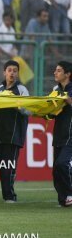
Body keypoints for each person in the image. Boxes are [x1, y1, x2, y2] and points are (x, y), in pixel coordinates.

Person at [0, 60, 30, 203]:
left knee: (7, 167)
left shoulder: (22, 90)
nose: (12, 73)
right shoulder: (0, 88)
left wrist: (15, 104)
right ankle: (8, 194)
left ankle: (9, 196)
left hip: (12, 135)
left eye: (15, 70)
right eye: (9, 70)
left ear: (18, 74)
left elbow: (28, 110)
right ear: (4, 72)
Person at [47, 61, 72, 207]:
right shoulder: (56, 89)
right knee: (56, 169)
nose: (55, 73)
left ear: (68, 74)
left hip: (70, 134)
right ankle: (63, 199)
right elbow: (51, 113)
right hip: (59, 135)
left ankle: (69, 194)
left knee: (62, 164)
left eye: (59, 70)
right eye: (55, 70)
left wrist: (64, 98)